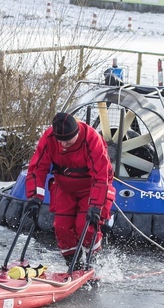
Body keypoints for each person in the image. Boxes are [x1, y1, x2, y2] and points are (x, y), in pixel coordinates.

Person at [23, 112, 115, 269]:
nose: (63, 144)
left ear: (77, 132)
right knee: (61, 227)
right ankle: (73, 263)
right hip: (64, 187)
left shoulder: (92, 139)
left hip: (90, 189)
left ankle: (94, 261)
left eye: (67, 141)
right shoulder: (49, 137)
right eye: (60, 141)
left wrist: (95, 206)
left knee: (85, 227)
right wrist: (34, 197)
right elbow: (37, 168)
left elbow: (100, 176)